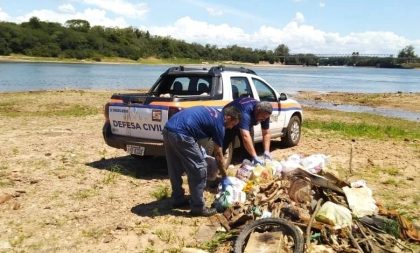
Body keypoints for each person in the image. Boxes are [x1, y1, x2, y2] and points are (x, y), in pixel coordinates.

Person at [162, 106, 241, 216]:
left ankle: (178, 198)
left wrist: (199, 149)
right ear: (228, 118)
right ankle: (198, 207)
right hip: (182, 134)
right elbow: (218, 154)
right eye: (233, 124)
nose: (231, 127)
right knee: (200, 168)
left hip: (168, 129)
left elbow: (196, 124)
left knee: (174, 167)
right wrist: (224, 176)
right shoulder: (219, 124)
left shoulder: (214, 113)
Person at [223, 97, 273, 165]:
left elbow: (266, 133)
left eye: (266, 118)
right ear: (257, 110)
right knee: (223, 144)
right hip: (231, 120)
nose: (264, 120)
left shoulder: (265, 113)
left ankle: (246, 169)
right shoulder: (245, 112)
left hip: (246, 122)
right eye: (263, 117)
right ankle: (216, 167)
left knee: (249, 151)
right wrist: (255, 156)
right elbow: (245, 136)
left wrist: (266, 151)